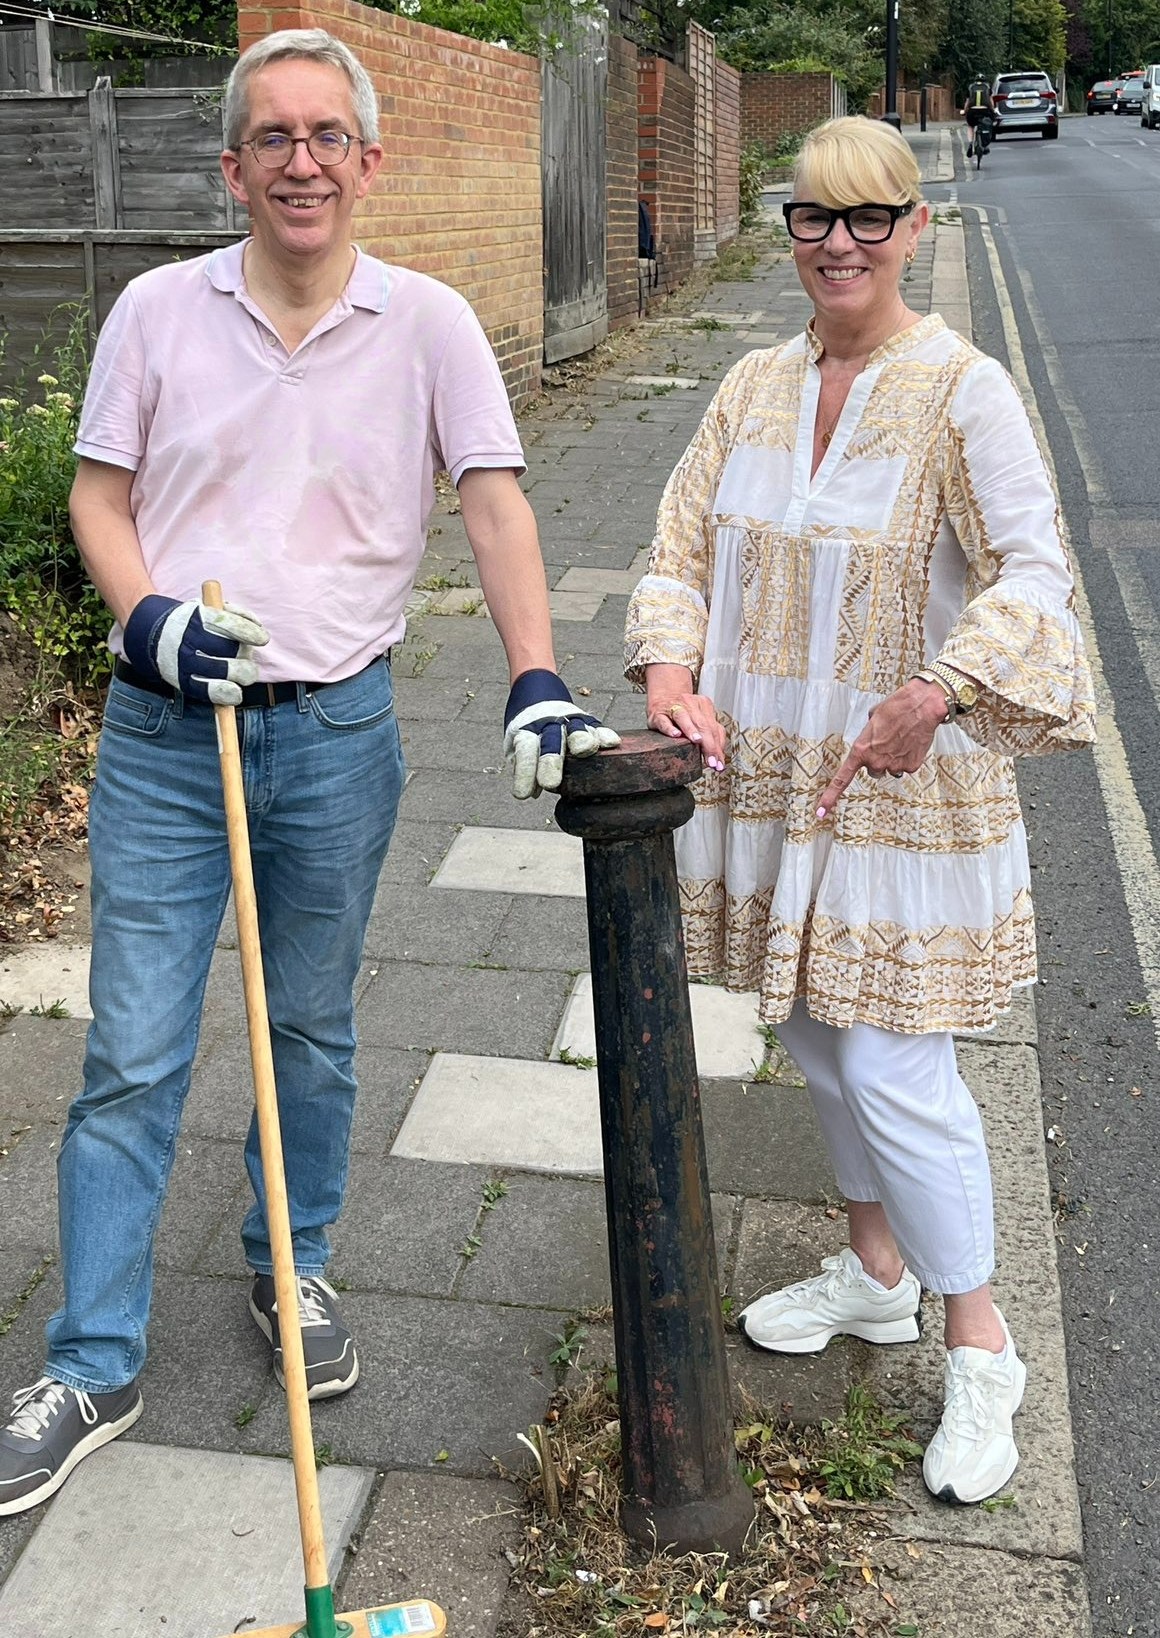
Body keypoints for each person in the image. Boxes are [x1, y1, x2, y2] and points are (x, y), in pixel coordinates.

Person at [0, 28, 617, 1518]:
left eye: (326, 135)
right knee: (136, 1047)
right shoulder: (157, 309)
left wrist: (536, 672)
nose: (300, 160)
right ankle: (92, 1360)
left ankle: (298, 1267)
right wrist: (147, 621)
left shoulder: (432, 325)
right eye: (270, 136)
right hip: (168, 733)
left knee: (312, 1029)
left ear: (369, 162)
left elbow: (495, 506)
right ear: (231, 165)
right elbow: (100, 495)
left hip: (337, 732)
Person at [624, 116, 1094, 1505]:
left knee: (896, 1068)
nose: (838, 243)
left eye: (868, 218)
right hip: (770, 784)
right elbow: (675, 546)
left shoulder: (963, 390)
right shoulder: (753, 384)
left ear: (915, 228)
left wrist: (942, 689)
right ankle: (877, 1272)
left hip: (903, 797)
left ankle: (982, 1342)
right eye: (814, 219)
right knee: (823, 1044)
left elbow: (1037, 571)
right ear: (789, 234)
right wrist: (667, 665)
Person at [962, 75, 997, 155]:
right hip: (985, 110)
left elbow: (967, 101)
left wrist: (965, 111)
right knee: (988, 124)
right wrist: (993, 110)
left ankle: (971, 143)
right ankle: (984, 145)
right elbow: (990, 101)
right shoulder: (987, 87)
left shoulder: (971, 87)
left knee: (971, 126)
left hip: (972, 111)